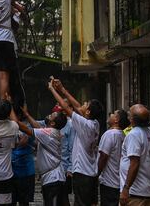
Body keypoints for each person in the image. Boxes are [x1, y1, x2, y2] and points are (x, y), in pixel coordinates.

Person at [49, 78, 104, 206]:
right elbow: (78, 107)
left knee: (80, 203)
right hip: (91, 172)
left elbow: (66, 107)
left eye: (86, 104)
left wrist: (52, 90)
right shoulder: (95, 123)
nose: (82, 104)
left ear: (88, 111)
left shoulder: (84, 124)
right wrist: (62, 89)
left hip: (82, 173)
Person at [13, 105, 69, 206]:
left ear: (52, 123)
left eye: (51, 115)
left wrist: (9, 108)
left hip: (52, 180)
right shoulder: (53, 131)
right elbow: (37, 127)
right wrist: (27, 114)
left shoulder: (47, 133)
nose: (49, 115)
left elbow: (22, 127)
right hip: (57, 178)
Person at [120, 104, 150, 206]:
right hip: (148, 191)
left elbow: (134, 163)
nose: (128, 117)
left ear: (132, 119)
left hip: (135, 193)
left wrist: (126, 188)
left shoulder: (134, 134)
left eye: (129, 114)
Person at [98, 109, 129, 206]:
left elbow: (103, 156)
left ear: (116, 119)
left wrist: (97, 173)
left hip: (109, 181)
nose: (110, 115)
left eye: (113, 114)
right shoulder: (123, 135)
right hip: (119, 181)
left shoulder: (109, 134)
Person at [11, 128, 36, 206]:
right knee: (11, 201)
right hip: (10, 172)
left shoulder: (27, 128)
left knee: (24, 201)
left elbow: (26, 140)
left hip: (26, 172)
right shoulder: (6, 127)